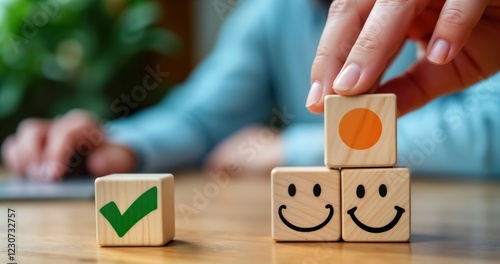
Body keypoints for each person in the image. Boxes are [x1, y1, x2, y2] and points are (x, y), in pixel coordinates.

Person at [2, 0, 500, 181]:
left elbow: (489, 132)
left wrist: (290, 149)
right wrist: (123, 145)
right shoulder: (271, 13)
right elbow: (200, 117)